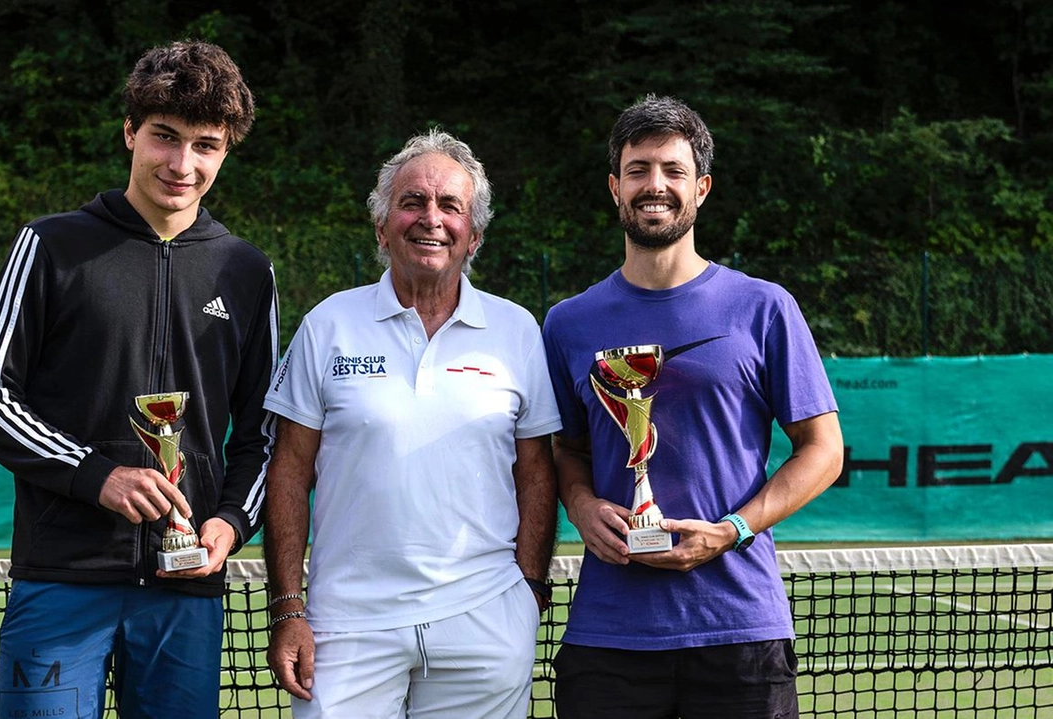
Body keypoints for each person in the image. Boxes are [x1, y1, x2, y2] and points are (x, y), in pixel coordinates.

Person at [0, 40, 277, 719]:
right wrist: (94, 472)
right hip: (62, 582)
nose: (182, 164)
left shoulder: (246, 272)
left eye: (205, 145)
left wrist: (229, 521)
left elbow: (264, 431)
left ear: (226, 152)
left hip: (185, 592)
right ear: (130, 131)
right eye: (165, 137)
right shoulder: (50, 246)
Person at [541, 94, 844, 718]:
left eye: (673, 171)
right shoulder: (567, 324)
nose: (656, 185)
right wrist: (582, 504)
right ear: (614, 187)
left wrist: (731, 531)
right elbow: (564, 450)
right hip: (608, 635)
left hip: (738, 630)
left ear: (701, 188)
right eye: (639, 169)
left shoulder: (763, 308)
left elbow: (824, 450)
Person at [262, 129, 561, 718]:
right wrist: (288, 609)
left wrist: (527, 590)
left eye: (450, 206)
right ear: (381, 226)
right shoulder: (327, 325)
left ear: (473, 235)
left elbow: (536, 473)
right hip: (345, 629)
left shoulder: (519, 330)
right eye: (412, 202)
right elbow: (289, 472)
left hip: (484, 622)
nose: (431, 218)